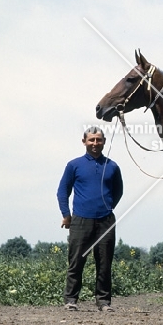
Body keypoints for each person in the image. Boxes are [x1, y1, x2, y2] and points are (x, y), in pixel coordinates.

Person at [57, 126, 123, 312]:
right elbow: (63, 191)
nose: (95, 143)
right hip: (80, 220)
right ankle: (71, 300)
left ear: (104, 142)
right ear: (84, 141)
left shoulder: (112, 166)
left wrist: (107, 207)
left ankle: (104, 302)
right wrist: (65, 214)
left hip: (106, 221)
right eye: (91, 140)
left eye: (98, 140)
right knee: (76, 261)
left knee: (104, 263)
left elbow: (118, 191)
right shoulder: (74, 165)